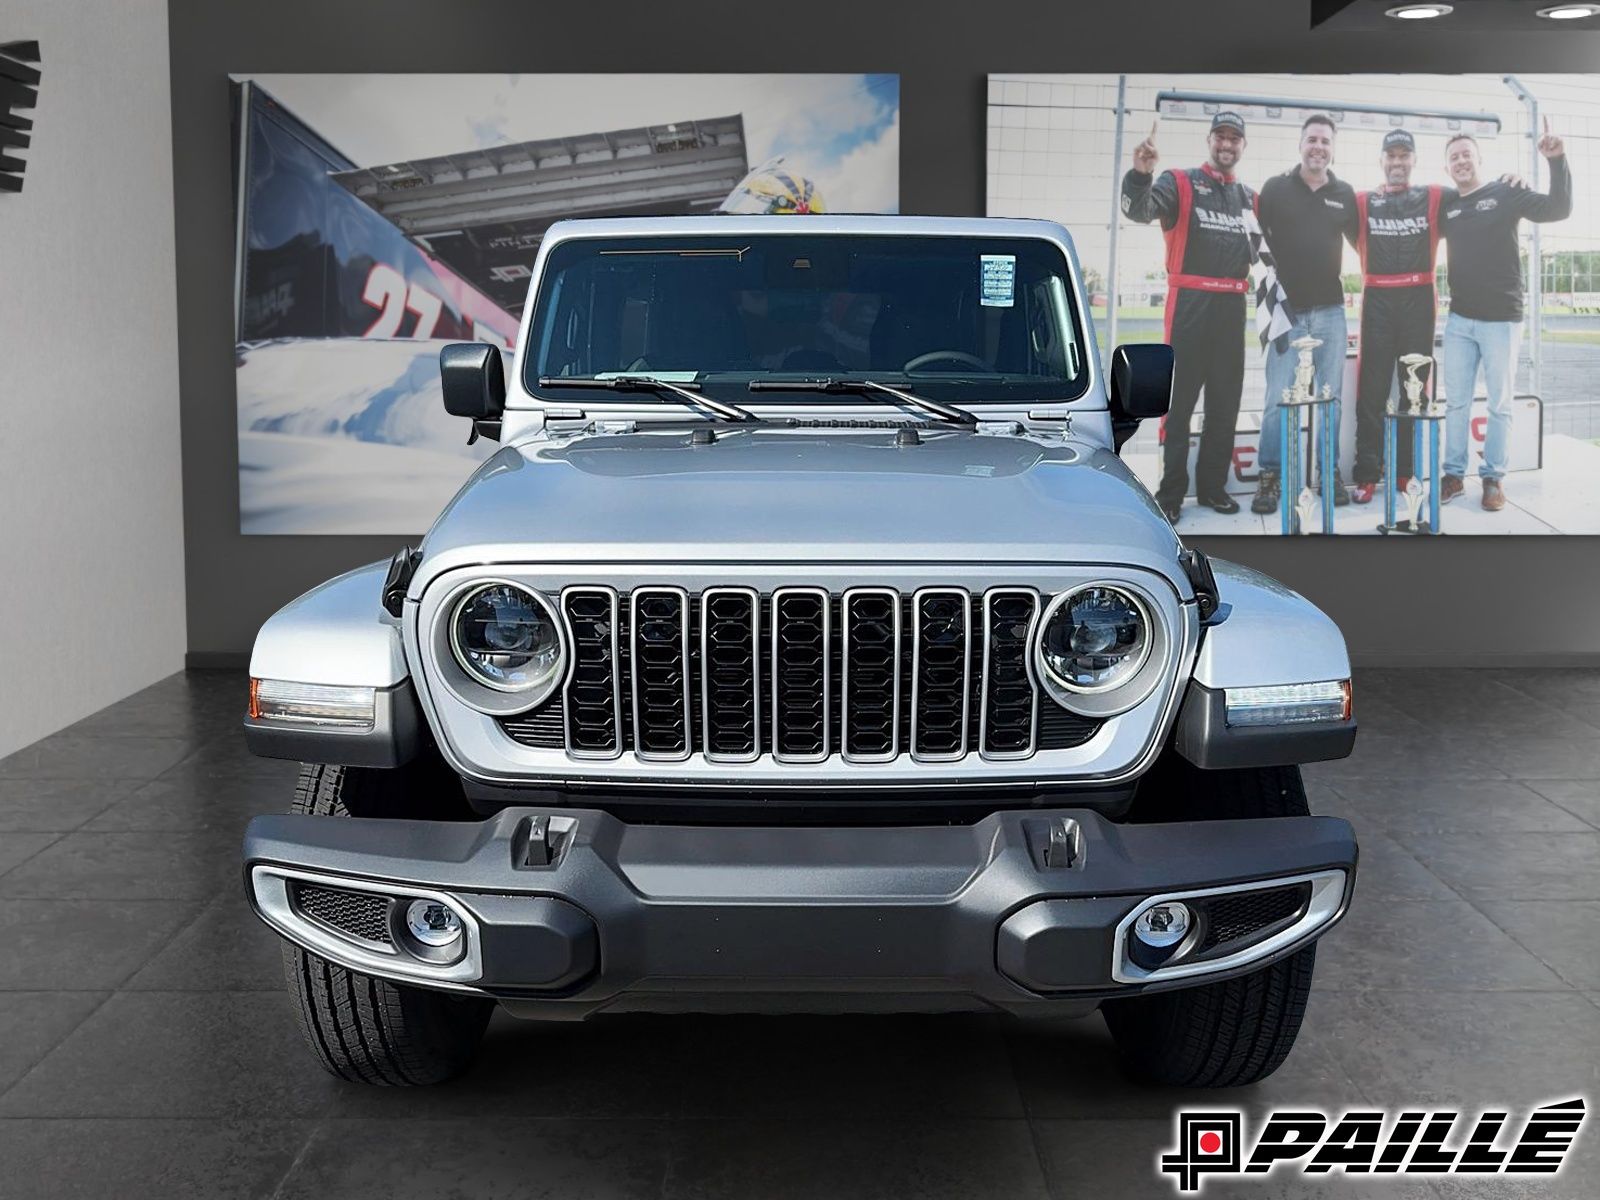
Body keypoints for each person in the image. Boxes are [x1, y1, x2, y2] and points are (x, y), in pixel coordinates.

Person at [1121, 112, 1256, 523]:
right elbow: (1139, 210)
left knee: (1224, 404)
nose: (1227, 144)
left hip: (1233, 310)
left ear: (1243, 146)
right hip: (1189, 306)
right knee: (1177, 406)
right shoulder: (1179, 181)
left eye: (1235, 138)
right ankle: (1172, 492)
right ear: (1209, 140)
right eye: (1221, 136)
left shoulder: (1252, 198)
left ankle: (1213, 487)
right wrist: (1141, 175)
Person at [1439, 121, 1571, 512]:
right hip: (1460, 320)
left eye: (1467, 154)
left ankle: (1494, 478)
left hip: (1501, 320)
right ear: (1447, 168)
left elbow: (1558, 209)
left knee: (1500, 404)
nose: (1461, 161)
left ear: (1479, 159)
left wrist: (1556, 160)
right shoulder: (1447, 205)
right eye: (1454, 157)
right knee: (1456, 404)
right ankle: (1453, 475)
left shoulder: (1507, 190)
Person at [1252, 113, 1358, 515]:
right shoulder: (1276, 188)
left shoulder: (1345, 193)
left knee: (1328, 398)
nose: (1319, 147)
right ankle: (1271, 474)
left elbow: (1366, 245)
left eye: (1325, 142)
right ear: (1301, 144)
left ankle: (1327, 473)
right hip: (1285, 310)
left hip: (1331, 310)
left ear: (1332, 148)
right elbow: (1254, 245)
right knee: (1278, 398)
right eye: (1312, 140)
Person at [1348, 129, 1446, 505]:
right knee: (1370, 393)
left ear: (1414, 161)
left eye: (1404, 156)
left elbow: (1474, 201)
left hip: (1419, 302)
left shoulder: (1434, 196)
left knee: (1413, 393)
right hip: (1377, 301)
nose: (1397, 162)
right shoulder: (1361, 201)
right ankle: (1367, 473)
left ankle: (1405, 472)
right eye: (1391, 156)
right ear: (1382, 161)